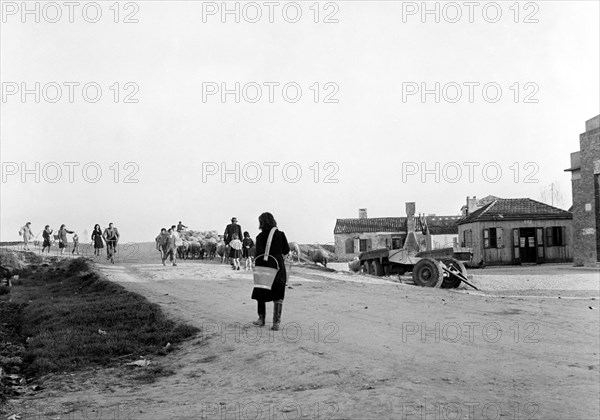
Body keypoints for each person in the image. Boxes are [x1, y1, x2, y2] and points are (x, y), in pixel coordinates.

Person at [251, 212, 290, 331]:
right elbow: (286, 250)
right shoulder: (280, 234)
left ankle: (261, 319)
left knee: (261, 290)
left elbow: (258, 253)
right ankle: (276, 323)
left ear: (262, 223)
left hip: (263, 266)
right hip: (277, 266)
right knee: (278, 293)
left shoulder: (259, 237)